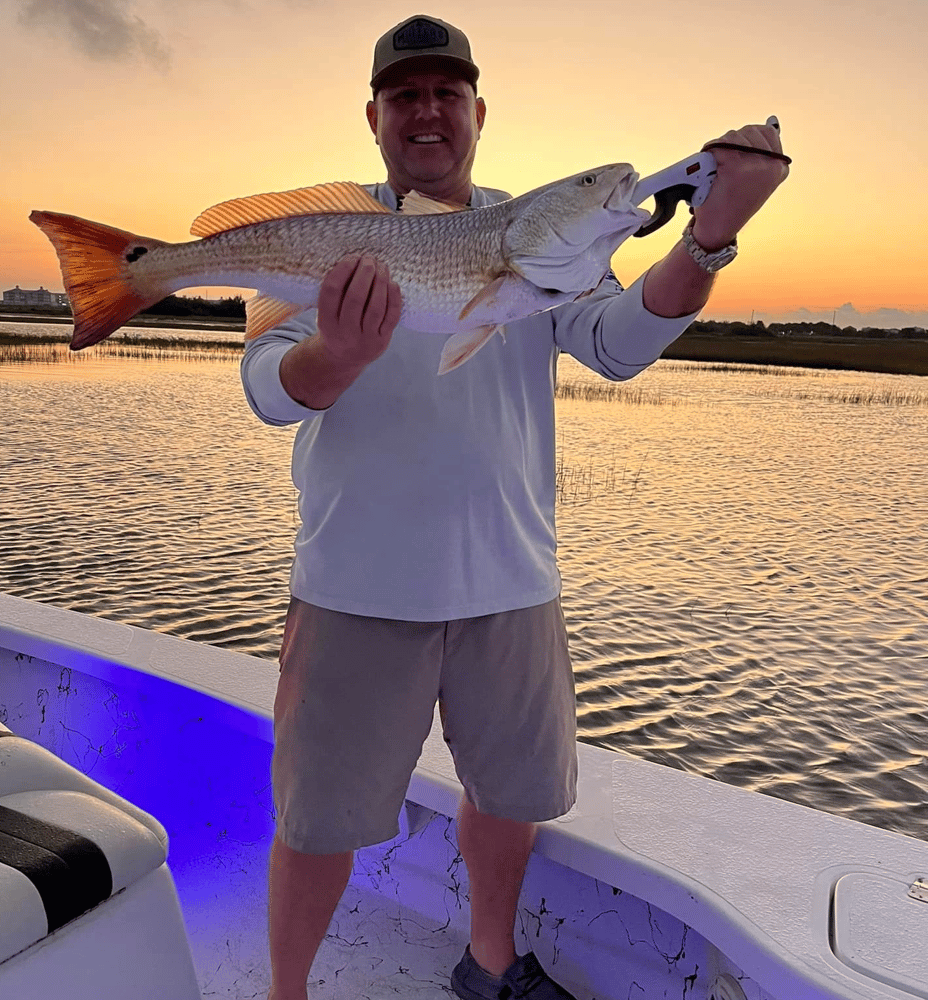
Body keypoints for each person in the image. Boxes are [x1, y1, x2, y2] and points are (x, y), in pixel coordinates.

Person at [241, 14, 790, 1000]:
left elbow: (618, 342)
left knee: (510, 798)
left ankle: (488, 964)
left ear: (478, 113)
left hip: (511, 584)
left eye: (445, 92)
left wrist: (708, 238)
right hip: (353, 586)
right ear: (372, 116)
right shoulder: (333, 238)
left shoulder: (538, 239)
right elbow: (270, 388)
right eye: (404, 94)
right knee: (315, 818)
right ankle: (285, 992)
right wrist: (339, 354)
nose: (426, 110)